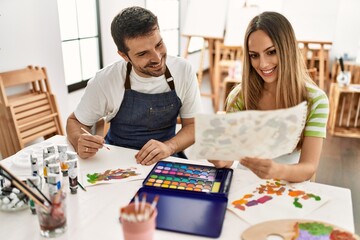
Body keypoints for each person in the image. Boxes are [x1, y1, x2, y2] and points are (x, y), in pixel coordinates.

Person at [66, 6, 202, 165]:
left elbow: (194, 126)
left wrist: (169, 147)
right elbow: (75, 121)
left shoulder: (183, 70)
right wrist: (79, 141)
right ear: (124, 55)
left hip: (166, 158)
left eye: (158, 45)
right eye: (143, 54)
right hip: (117, 162)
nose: (157, 58)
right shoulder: (105, 80)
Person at [209, 11, 329, 183]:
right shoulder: (240, 96)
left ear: (287, 50)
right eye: (254, 55)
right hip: (244, 183)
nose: (263, 64)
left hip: (290, 183)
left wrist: (276, 170)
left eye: (271, 52)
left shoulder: (316, 100)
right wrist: (220, 157)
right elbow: (229, 156)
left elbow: (308, 167)